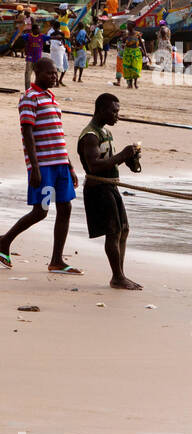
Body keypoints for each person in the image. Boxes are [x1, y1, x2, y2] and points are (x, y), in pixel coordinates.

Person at [0, 59, 81, 274]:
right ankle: (4, 241)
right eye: (49, 73)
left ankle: (57, 260)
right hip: (44, 166)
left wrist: (70, 166)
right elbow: (27, 133)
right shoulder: (29, 98)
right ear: (37, 73)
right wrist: (34, 166)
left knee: (66, 208)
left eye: (55, 73)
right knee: (41, 211)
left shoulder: (51, 98)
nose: (54, 77)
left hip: (60, 165)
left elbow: (58, 136)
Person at [77, 93, 142, 289]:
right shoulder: (90, 136)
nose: (117, 115)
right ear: (101, 111)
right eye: (114, 111)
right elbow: (95, 165)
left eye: (118, 111)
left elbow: (110, 161)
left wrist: (131, 160)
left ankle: (120, 274)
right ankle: (117, 276)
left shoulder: (106, 133)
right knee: (112, 232)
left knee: (123, 230)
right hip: (98, 189)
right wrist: (122, 155)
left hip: (110, 187)